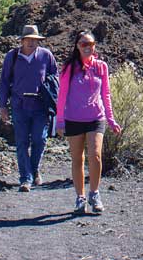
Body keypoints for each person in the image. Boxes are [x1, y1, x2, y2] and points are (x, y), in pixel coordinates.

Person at [56, 31, 121, 214]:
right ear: (77, 46)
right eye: (83, 44)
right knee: (77, 159)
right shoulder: (69, 67)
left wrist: (111, 119)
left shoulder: (101, 67)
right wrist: (59, 121)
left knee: (96, 155)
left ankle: (94, 193)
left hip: (96, 118)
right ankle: (80, 197)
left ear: (95, 46)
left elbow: (106, 94)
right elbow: (62, 96)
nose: (87, 47)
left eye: (91, 44)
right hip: (73, 118)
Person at [0, 24, 58, 192]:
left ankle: (34, 169)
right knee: (22, 142)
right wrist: (3, 105)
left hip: (40, 106)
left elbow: (55, 77)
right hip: (19, 106)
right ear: (22, 40)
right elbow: (4, 81)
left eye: (35, 40)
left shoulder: (46, 56)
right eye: (28, 40)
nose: (32, 43)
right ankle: (26, 178)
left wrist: (53, 98)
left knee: (40, 139)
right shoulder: (12, 57)